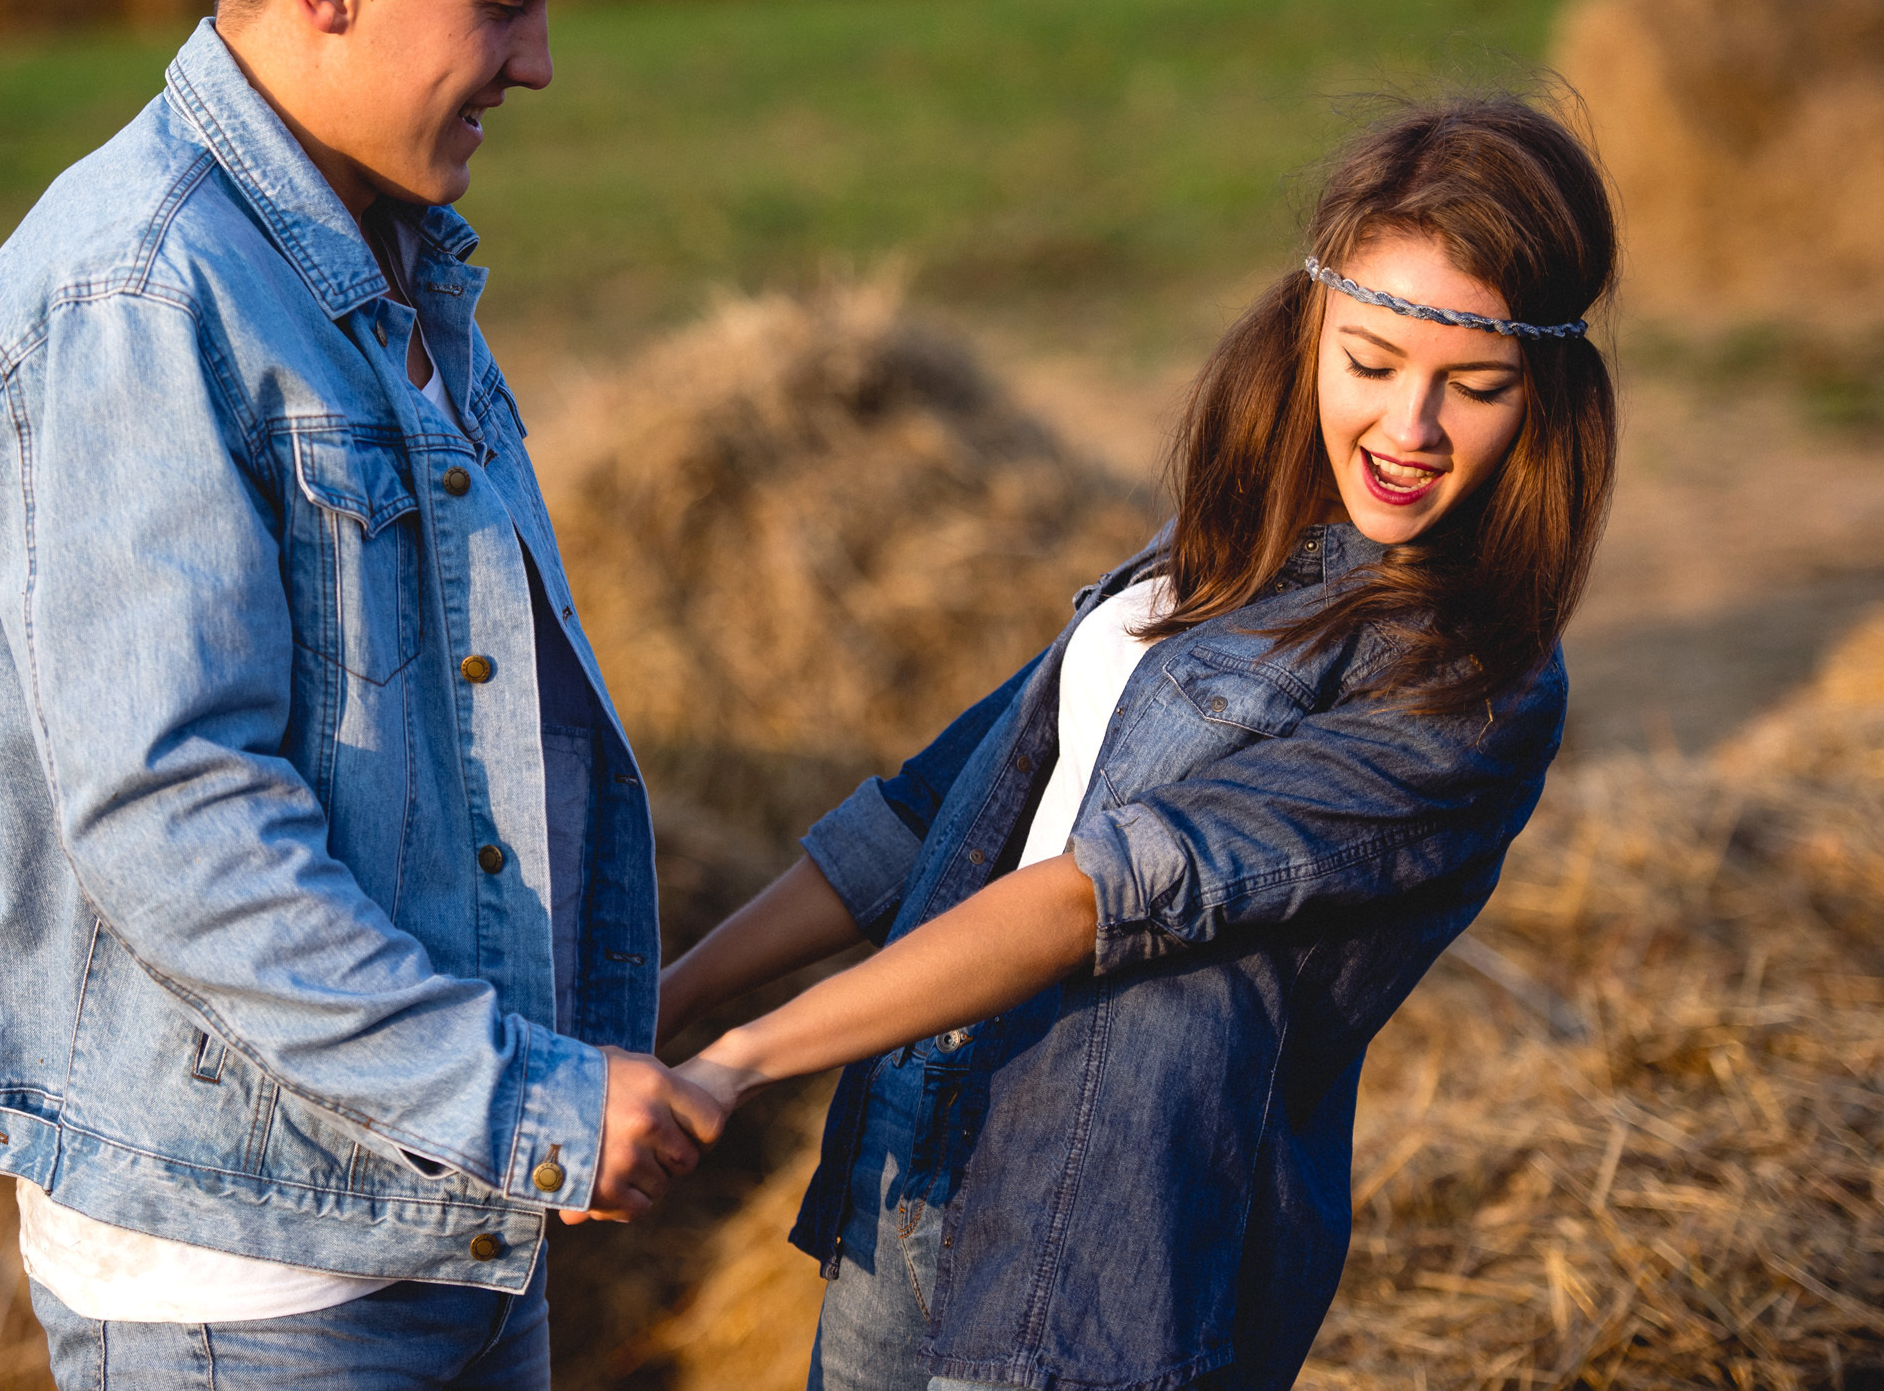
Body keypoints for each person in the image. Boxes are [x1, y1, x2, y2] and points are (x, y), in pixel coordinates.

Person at [0, 0, 720, 1385]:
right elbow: (177, 815)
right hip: (253, 1287)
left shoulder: (379, 258)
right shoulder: (140, 293)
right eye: (508, 3)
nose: (540, 61)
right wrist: (528, 1102)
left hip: (436, 1217)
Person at [659, 97, 1620, 1391]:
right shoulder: (1217, 552)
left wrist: (738, 1062)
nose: (1411, 427)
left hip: (1096, 1255)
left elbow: (1094, 896)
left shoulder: (1463, 690)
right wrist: (672, 1000)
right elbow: (931, 809)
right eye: (1372, 361)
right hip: (915, 1158)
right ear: (1308, 332)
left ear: (1545, 399)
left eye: (1476, 387)